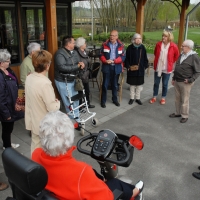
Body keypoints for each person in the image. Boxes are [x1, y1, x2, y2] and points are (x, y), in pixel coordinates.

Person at [32, 110, 144, 200]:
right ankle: (135, 193)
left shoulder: (35, 155)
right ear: (69, 139)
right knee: (115, 183)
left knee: (95, 175)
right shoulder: (82, 172)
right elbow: (107, 197)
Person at [25, 50, 60, 154]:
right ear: (47, 66)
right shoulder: (45, 83)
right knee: (45, 150)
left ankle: (33, 168)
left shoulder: (29, 77)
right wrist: (57, 103)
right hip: (43, 123)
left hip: (32, 119)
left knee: (35, 146)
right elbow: (52, 108)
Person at [169, 39, 200, 123]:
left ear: (189, 47)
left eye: (183, 46)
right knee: (177, 98)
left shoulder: (194, 57)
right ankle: (178, 113)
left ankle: (185, 115)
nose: (181, 47)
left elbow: (197, 71)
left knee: (185, 99)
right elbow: (177, 67)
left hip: (186, 82)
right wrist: (173, 78)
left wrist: (190, 80)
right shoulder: (181, 54)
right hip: (177, 81)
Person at [54, 36, 85, 119]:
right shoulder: (59, 54)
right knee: (68, 101)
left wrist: (81, 64)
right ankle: (73, 119)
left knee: (75, 99)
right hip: (63, 81)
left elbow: (78, 62)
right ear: (68, 44)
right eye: (73, 42)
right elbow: (62, 67)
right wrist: (77, 66)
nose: (75, 44)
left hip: (73, 79)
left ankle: (76, 116)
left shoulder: (74, 52)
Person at [0, 49, 24, 149]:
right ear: (0, 62)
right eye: (7, 61)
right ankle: (7, 147)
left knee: (9, 128)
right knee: (7, 128)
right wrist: (6, 113)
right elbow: (0, 98)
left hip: (12, 104)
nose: (9, 62)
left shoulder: (8, 70)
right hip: (6, 108)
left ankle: (8, 144)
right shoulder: (0, 76)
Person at [149, 30, 179, 105]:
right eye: (163, 36)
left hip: (167, 69)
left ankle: (163, 98)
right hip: (158, 68)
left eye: (165, 36)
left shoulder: (173, 46)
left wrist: (171, 62)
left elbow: (176, 56)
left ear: (169, 37)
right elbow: (155, 53)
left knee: (165, 84)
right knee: (156, 83)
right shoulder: (158, 44)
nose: (163, 37)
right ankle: (154, 96)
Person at [100, 30, 126, 108]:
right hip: (107, 67)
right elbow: (100, 54)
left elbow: (123, 56)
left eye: (114, 35)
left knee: (115, 85)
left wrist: (115, 61)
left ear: (117, 37)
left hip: (116, 67)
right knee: (105, 85)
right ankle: (103, 101)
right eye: (111, 35)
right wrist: (105, 60)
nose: (112, 37)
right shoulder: (104, 44)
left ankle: (115, 100)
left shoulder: (121, 45)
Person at [125, 33, 148, 105]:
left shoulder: (143, 48)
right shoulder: (129, 48)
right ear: (133, 39)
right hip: (132, 69)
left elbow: (145, 58)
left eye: (140, 38)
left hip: (140, 69)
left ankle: (138, 98)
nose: (138, 40)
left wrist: (145, 66)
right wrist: (128, 66)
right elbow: (126, 59)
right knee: (132, 85)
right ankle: (132, 98)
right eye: (137, 38)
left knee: (139, 85)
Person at [75, 37, 95, 108]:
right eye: (84, 43)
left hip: (86, 74)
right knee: (80, 90)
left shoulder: (85, 51)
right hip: (81, 74)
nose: (86, 44)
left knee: (87, 90)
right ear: (81, 45)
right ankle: (80, 106)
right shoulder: (77, 53)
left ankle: (87, 104)